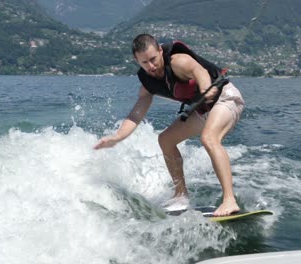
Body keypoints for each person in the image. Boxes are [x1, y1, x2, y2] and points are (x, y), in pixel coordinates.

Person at [94, 33, 245, 216]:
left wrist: (206, 88)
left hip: (225, 98)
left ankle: (230, 200)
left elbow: (199, 71)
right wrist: (117, 137)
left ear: (160, 50)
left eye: (153, 59)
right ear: (137, 61)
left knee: (209, 138)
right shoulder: (147, 83)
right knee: (166, 140)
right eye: (145, 63)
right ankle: (180, 195)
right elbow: (135, 115)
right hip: (202, 110)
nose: (151, 66)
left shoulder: (177, 61)